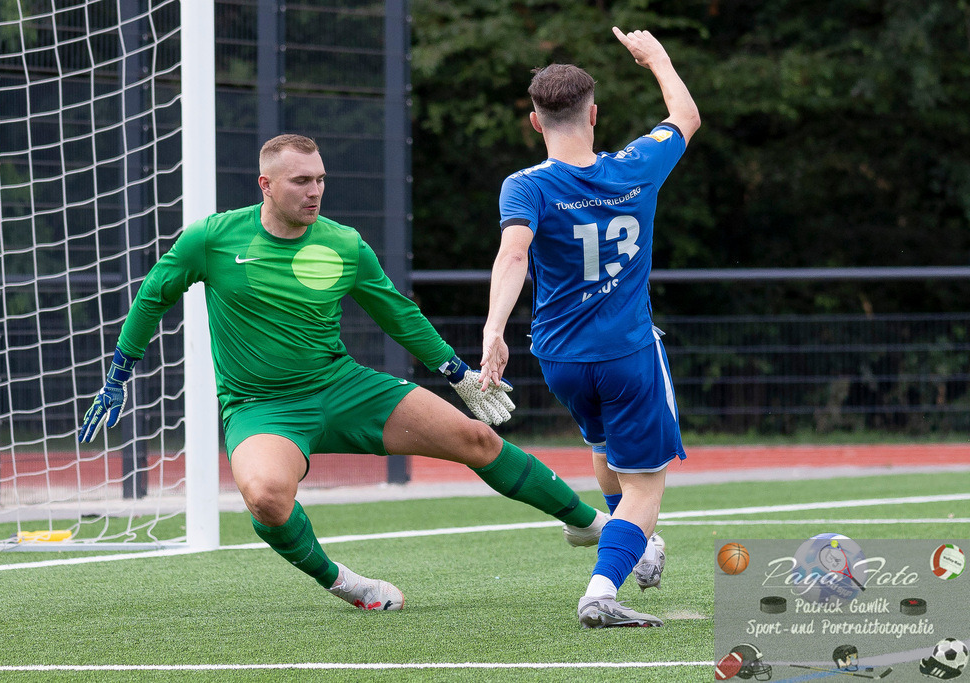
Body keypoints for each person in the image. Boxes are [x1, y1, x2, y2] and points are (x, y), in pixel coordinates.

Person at [78, 133, 609, 612]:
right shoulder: (212, 239)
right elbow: (154, 294)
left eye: (321, 180)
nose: (315, 192)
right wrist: (119, 372)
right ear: (265, 185)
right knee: (265, 495)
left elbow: (396, 313)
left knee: (476, 437)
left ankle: (589, 525)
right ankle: (345, 583)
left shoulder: (343, 243)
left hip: (343, 387)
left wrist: (456, 372)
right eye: (301, 181)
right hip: (263, 408)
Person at [479, 28, 701, 628]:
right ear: (595, 114)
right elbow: (685, 113)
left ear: (534, 121)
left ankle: (636, 542)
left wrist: (494, 331)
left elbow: (513, 257)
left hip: (560, 359)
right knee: (647, 486)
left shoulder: (525, 185)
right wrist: (654, 56)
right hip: (627, 353)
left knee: (604, 450)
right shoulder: (638, 164)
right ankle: (602, 588)